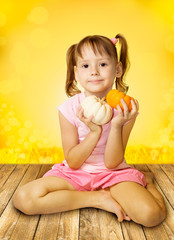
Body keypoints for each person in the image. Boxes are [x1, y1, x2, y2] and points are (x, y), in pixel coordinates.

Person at [13, 34, 166, 227]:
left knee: (151, 216)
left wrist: (117, 125)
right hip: (74, 174)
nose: (94, 71)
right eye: (86, 66)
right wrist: (94, 133)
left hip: (113, 175)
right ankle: (99, 199)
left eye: (102, 64)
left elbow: (111, 163)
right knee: (24, 198)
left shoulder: (126, 108)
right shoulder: (68, 109)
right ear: (76, 73)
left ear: (117, 69)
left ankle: (147, 181)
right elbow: (74, 162)